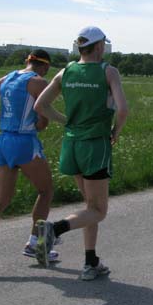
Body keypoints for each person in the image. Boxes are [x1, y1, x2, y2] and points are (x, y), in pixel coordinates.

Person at [34, 27, 128, 281]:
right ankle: (54, 229)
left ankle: (90, 262)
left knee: (89, 207)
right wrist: (115, 132)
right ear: (99, 47)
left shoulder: (66, 72)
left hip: (72, 144)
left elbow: (40, 105)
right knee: (99, 210)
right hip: (95, 144)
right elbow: (122, 110)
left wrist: (66, 121)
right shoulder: (107, 71)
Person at [0, 50, 56, 274]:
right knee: (46, 191)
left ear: (27, 61)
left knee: (1, 199)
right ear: (44, 67)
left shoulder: (8, 77)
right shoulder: (39, 82)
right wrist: (41, 123)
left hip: (3, 140)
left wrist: (0, 117)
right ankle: (34, 243)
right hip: (24, 142)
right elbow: (43, 121)